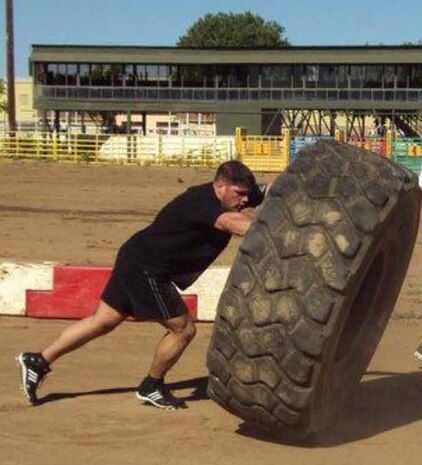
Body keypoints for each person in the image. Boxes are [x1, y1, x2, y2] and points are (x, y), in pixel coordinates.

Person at [16, 160, 269, 410]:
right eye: (240, 194)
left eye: (247, 194)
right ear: (221, 185)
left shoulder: (233, 196)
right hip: (147, 269)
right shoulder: (202, 202)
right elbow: (234, 224)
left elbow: (270, 190)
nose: (245, 200)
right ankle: (152, 386)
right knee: (183, 330)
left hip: (134, 256)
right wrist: (276, 229)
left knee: (101, 322)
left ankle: (37, 361)